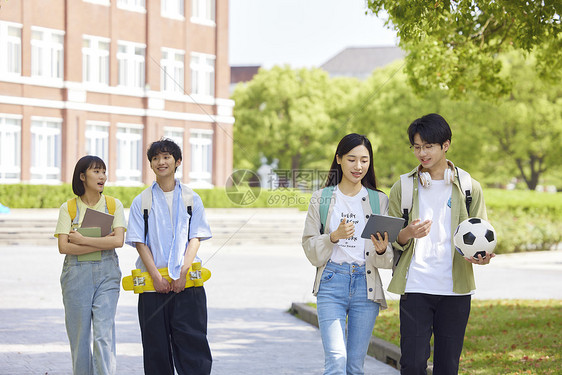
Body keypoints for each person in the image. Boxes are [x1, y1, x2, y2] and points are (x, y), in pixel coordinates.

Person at [388, 113, 494, 374]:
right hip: (415, 287)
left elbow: (482, 234)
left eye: (428, 146)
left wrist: (483, 256)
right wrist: (408, 233)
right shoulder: (402, 186)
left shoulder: (470, 187)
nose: (421, 153)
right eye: (416, 147)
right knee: (412, 364)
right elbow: (392, 238)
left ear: (445, 145)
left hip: (455, 290)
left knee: (448, 366)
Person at [302, 133, 394, 375]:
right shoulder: (321, 199)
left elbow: (387, 258)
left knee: (355, 365)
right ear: (339, 159)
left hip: (366, 284)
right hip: (332, 282)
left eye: (364, 160)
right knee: (336, 359)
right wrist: (333, 236)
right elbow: (310, 249)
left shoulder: (379, 199)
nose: (359, 166)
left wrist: (382, 249)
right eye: (352, 159)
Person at [126, 138, 212, 375]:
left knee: (193, 350)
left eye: (166, 157)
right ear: (151, 165)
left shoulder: (191, 198)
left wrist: (182, 273)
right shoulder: (141, 201)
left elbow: (196, 237)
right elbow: (139, 242)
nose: (160, 162)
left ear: (177, 162)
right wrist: (156, 276)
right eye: (155, 158)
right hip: (153, 288)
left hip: (188, 287)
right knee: (156, 353)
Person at [54, 155, 126, 375]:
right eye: (96, 171)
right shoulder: (69, 208)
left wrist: (83, 240)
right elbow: (64, 247)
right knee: (79, 338)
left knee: (104, 335)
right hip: (76, 275)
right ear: (82, 176)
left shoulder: (114, 205)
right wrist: (103, 242)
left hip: (108, 275)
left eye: (103, 171)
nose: (102, 176)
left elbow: (118, 241)